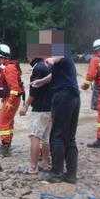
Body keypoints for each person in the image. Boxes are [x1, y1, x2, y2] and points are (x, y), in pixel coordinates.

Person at [32, 55, 80, 184]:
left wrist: (51, 60)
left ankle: (56, 172)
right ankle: (71, 175)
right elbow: (54, 76)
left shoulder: (59, 51)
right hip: (74, 97)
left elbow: (58, 57)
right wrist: (41, 81)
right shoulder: (66, 57)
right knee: (70, 137)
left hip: (63, 96)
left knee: (57, 135)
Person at [19, 57, 52, 174]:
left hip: (40, 109)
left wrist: (25, 106)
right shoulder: (49, 65)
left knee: (35, 136)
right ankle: (45, 163)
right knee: (46, 138)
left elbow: (34, 90)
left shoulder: (38, 68)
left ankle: (33, 167)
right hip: (51, 108)